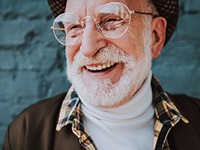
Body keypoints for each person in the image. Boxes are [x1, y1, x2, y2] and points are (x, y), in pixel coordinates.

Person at [3, 0, 200, 149]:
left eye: (111, 20)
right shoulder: (26, 133)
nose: (88, 48)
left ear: (155, 36)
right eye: (74, 27)